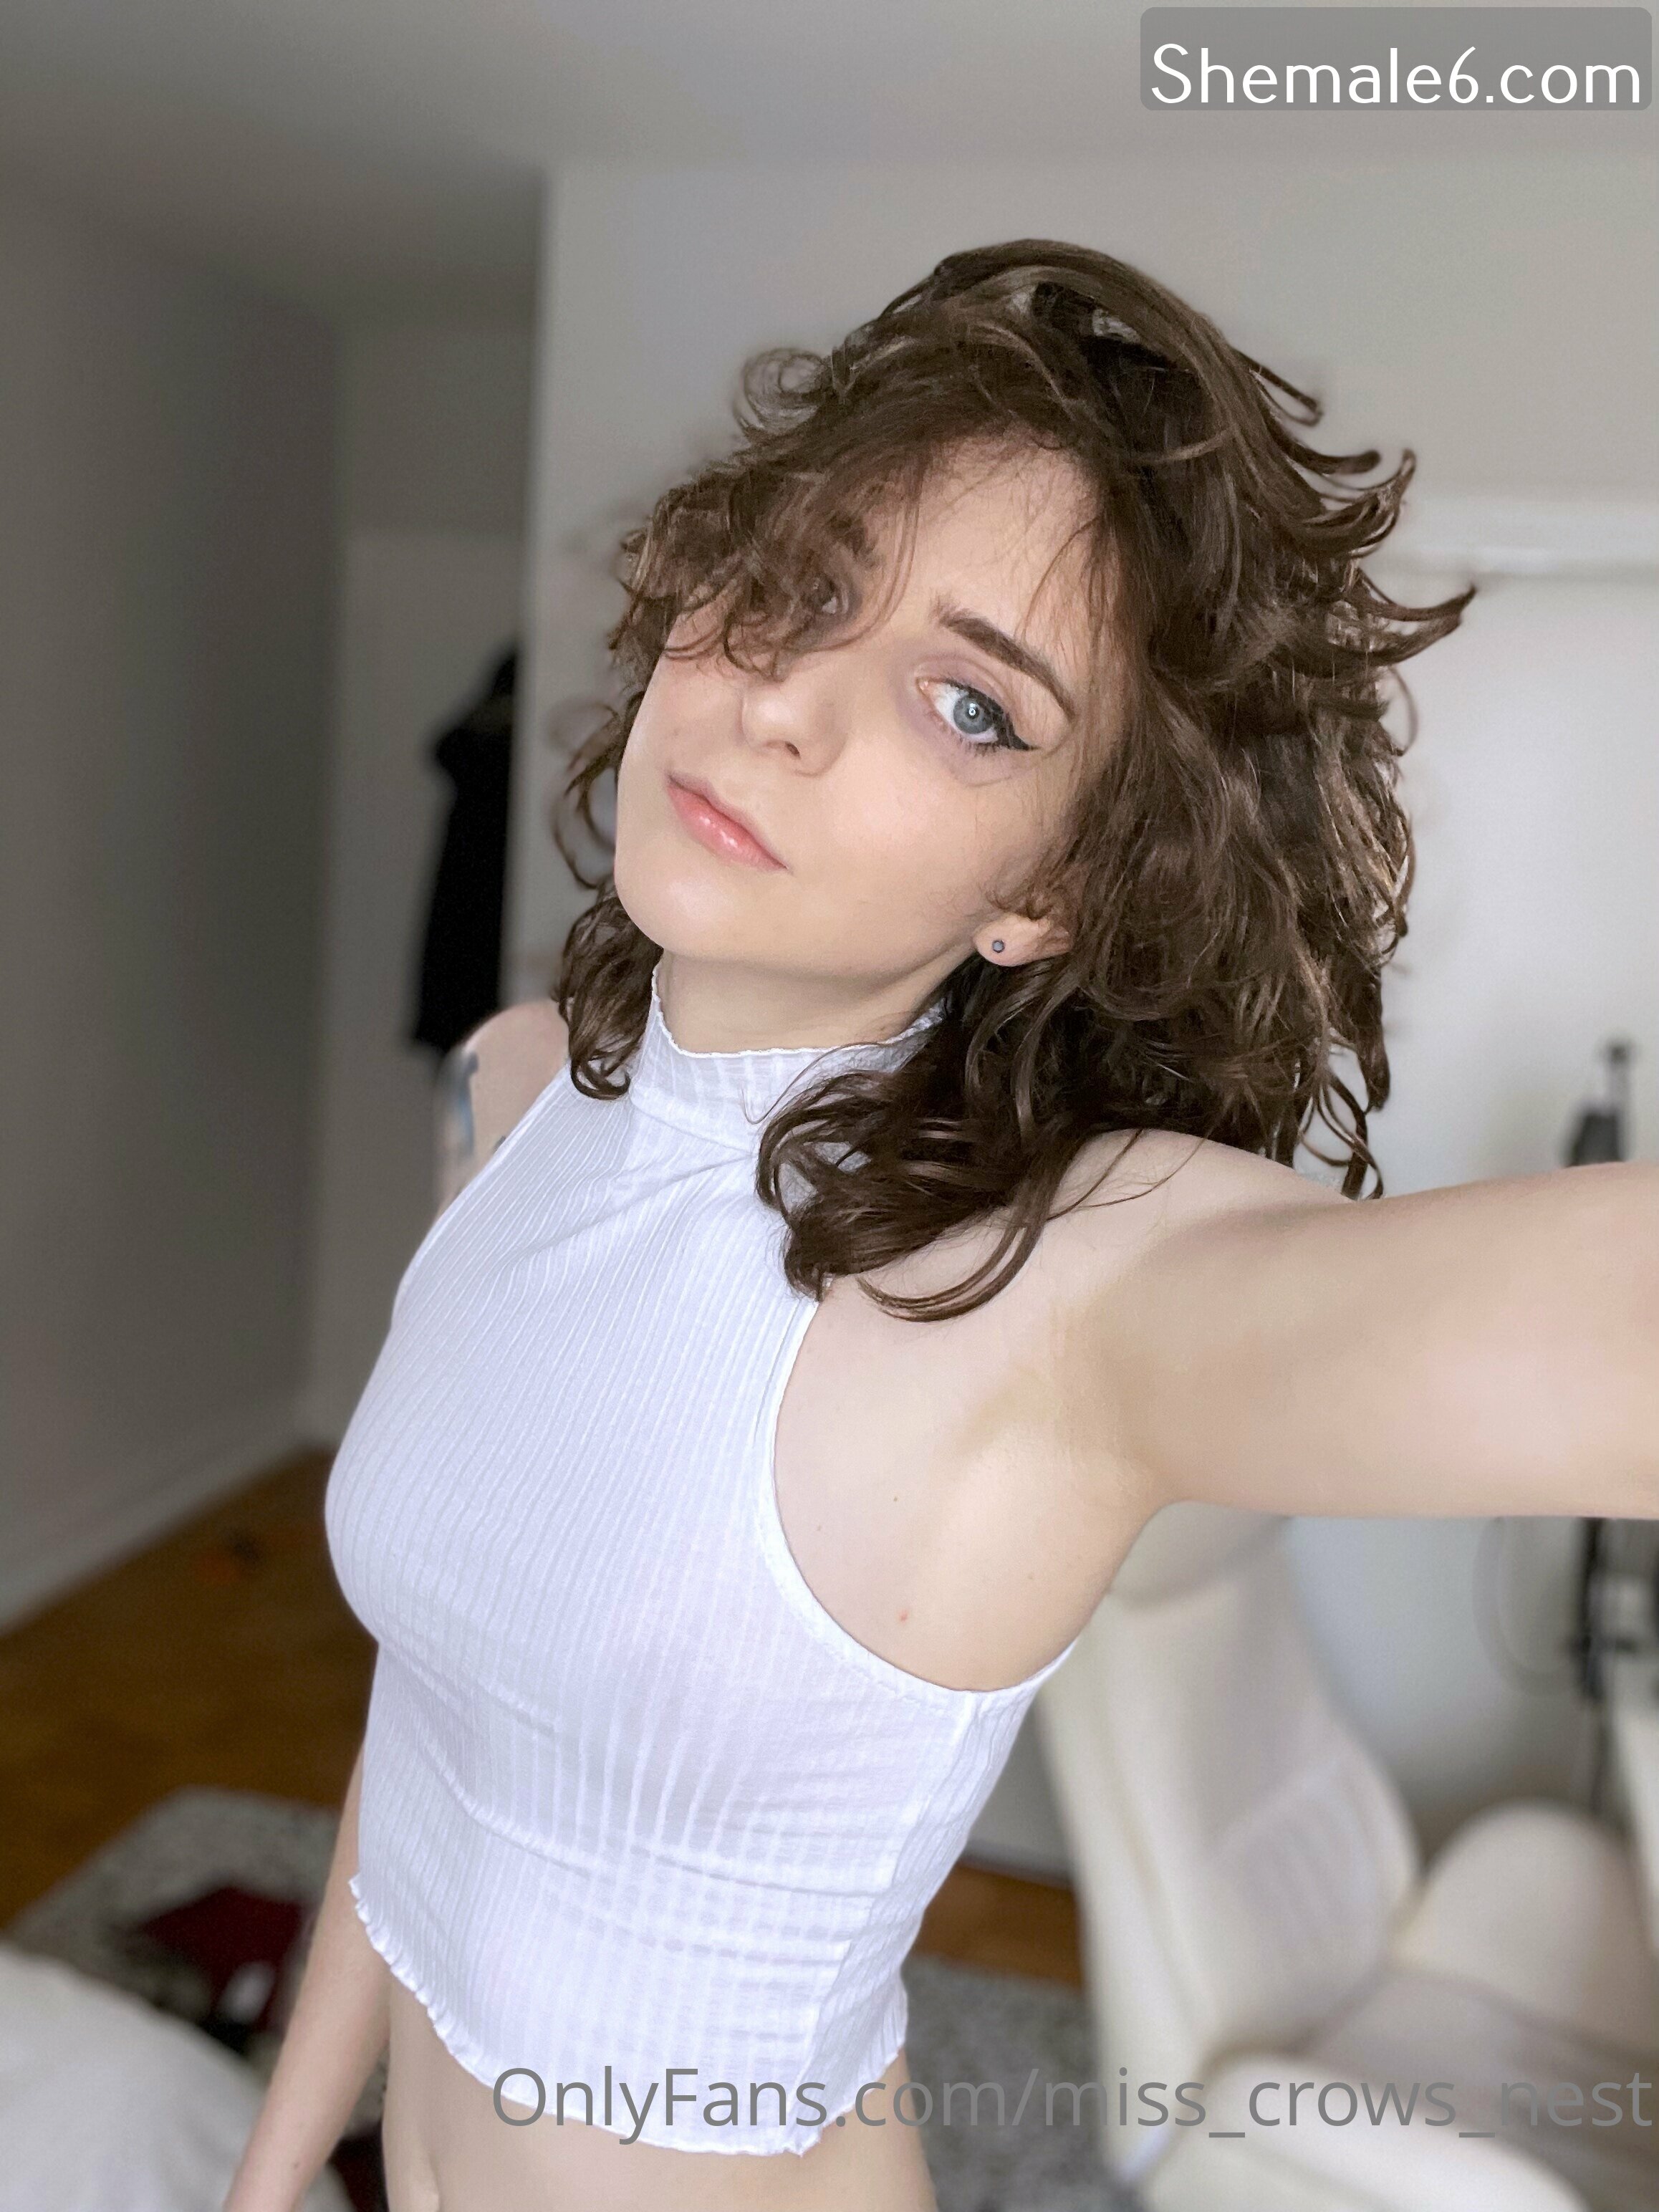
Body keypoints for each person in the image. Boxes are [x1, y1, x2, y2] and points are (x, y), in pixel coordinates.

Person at [226, 239, 1659, 2212]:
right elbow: (435, 1731)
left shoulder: (1052, 1287)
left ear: (1047, 894)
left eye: (970, 706)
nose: (786, 707)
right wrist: (275, 2168)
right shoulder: (515, 1088)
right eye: (799, 585)